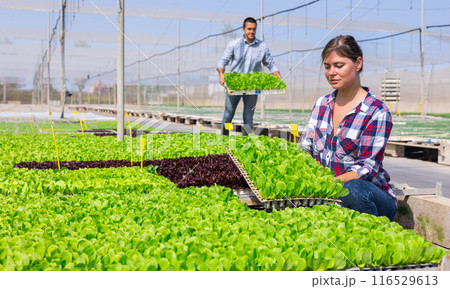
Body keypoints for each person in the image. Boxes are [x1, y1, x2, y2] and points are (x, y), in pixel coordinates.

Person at [300, 35, 397, 221]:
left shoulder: (376, 112)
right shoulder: (322, 104)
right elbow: (305, 150)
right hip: (328, 195)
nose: (331, 72)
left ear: (358, 63)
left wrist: (327, 184)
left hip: (370, 197)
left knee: (353, 189)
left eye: (339, 65)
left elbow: (366, 167)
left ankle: (370, 238)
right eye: (327, 67)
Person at [217, 17, 281, 136]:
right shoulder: (234, 44)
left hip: (252, 87)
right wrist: (221, 74)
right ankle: (223, 139)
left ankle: (245, 143)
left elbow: (270, 64)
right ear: (243, 29)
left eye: (254, 29)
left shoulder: (262, 46)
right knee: (228, 113)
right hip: (234, 86)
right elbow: (222, 62)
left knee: (248, 117)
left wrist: (277, 75)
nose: (251, 32)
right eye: (249, 29)